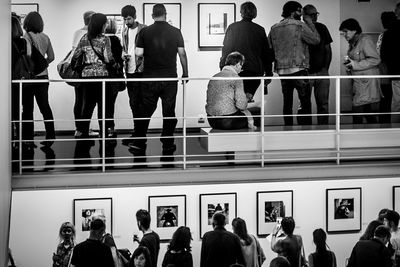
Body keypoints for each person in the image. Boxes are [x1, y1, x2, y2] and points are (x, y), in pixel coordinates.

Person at [130, 3, 189, 160]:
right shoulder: (175, 31)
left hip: (150, 77)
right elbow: (182, 53)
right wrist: (185, 73)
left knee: (145, 110)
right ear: (165, 14)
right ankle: (168, 143)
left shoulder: (145, 32)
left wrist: (137, 67)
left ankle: (140, 142)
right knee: (169, 111)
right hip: (169, 77)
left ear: (152, 15)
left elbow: (139, 54)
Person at [268, 1, 320, 126]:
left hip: (282, 71)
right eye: (299, 11)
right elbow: (315, 40)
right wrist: (309, 23)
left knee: (287, 102)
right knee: (305, 102)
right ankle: (305, 130)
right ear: (293, 11)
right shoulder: (299, 25)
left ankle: (288, 129)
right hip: (299, 68)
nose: (301, 14)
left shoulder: (274, 27)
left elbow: (269, 48)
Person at [72, 13, 115, 138]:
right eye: (105, 23)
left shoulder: (84, 38)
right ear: (102, 25)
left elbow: (75, 56)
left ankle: (82, 132)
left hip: (87, 77)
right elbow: (108, 58)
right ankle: (104, 133)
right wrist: (114, 64)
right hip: (102, 77)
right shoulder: (105, 39)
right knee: (103, 107)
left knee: (87, 107)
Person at [219, 1, 274, 101]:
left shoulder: (233, 27)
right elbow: (266, 53)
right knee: (246, 99)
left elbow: (226, 48)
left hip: (236, 69)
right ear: (254, 13)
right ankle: (247, 114)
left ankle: (242, 115)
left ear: (241, 12)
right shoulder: (260, 29)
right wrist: (269, 72)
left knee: (235, 100)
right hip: (255, 70)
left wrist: (222, 66)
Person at [22, 11, 56, 147]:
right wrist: (43, 64)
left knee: (27, 108)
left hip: (30, 77)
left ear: (27, 23)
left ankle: (28, 138)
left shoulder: (26, 37)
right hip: (43, 76)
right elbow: (52, 57)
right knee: (44, 106)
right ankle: (50, 135)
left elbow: (29, 54)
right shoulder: (46, 37)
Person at [339, 18, 381, 124]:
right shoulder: (353, 42)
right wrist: (350, 65)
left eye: (345, 31)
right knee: (367, 112)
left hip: (366, 83)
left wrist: (354, 64)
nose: (344, 34)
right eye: (343, 32)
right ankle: (371, 135)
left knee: (358, 111)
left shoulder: (365, 40)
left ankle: (358, 135)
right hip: (360, 83)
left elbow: (375, 59)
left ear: (354, 30)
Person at [206, 52, 258, 130]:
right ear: (237, 64)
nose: (241, 69)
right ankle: (250, 141)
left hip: (211, 121)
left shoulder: (214, 77)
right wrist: (246, 99)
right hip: (228, 121)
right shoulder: (236, 78)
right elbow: (241, 106)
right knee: (257, 113)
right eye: (241, 65)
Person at [120, 5, 147, 146]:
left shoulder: (144, 29)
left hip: (141, 72)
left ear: (135, 16)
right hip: (129, 71)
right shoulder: (124, 31)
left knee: (141, 105)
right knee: (133, 104)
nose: (126, 21)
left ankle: (140, 136)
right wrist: (123, 55)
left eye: (129, 18)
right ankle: (137, 133)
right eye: (124, 19)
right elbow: (124, 49)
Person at [303, 4, 333, 125]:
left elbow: (328, 50)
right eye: (312, 14)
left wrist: (325, 69)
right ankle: (305, 131)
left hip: (321, 71)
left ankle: (323, 129)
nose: (315, 16)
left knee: (323, 104)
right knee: (305, 104)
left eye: (316, 14)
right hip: (305, 72)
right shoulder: (301, 28)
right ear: (304, 16)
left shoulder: (322, 27)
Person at [71, 11, 99, 138]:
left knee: (78, 100)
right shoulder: (92, 34)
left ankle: (79, 129)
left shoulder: (77, 32)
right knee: (87, 102)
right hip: (88, 71)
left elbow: (74, 52)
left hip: (77, 70)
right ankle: (84, 129)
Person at [104, 18, 124, 139]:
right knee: (110, 104)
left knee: (102, 104)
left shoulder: (102, 40)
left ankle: (104, 129)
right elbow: (119, 59)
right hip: (115, 78)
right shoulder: (116, 40)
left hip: (103, 76)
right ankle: (110, 128)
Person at [381, 2, 400, 122]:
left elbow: (384, 54)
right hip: (395, 71)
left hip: (395, 71)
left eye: (396, 10)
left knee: (397, 101)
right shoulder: (390, 31)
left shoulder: (390, 32)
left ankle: (395, 130)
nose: (395, 12)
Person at [377, 11, 396, 123]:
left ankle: (386, 121)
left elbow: (381, 54)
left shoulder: (386, 35)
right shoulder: (383, 35)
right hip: (385, 70)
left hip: (387, 69)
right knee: (386, 96)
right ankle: (384, 120)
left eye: (385, 20)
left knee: (388, 97)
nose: (383, 23)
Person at [11, 15, 27, 144]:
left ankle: (9, 138)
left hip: (7, 80)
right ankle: (20, 140)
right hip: (18, 80)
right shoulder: (22, 42)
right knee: (17, 111)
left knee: (8, 112)